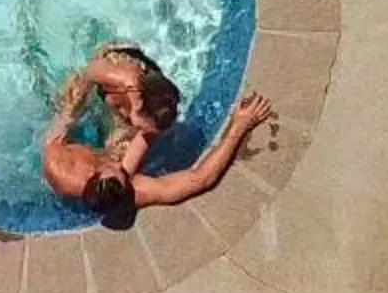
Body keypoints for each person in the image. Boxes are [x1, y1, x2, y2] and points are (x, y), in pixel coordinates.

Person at [43, 48, 270, 218]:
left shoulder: (59, 163)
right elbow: (201, 179)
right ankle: (136, 107)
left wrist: (79, 104)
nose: (121, 167)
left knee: (80, 89)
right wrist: (240, 126)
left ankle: (127, 96)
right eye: (124, 175)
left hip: (91, 100)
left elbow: (89, 75)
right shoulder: (120, 189)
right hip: (104, 137)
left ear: (96, 173)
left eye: (116, 170)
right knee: (153, 124)